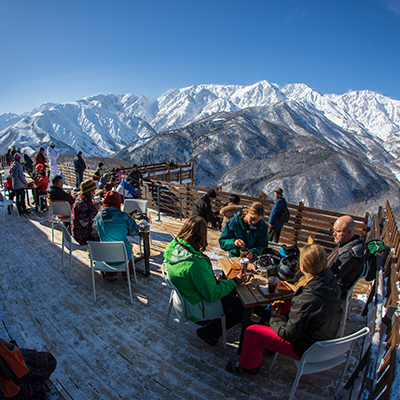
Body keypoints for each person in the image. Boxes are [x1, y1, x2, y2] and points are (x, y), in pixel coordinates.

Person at [226, 243, 342, 375]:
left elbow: (289, 335)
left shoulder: (308, 298)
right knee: (285, 305)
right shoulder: (330, 283)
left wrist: (275, 318)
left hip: (305, 348)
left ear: (302, 267)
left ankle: (248, 366)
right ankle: (269, 345)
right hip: (323, 340)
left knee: (252, 332)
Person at [164, 216, 247, 346]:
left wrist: (208, 278)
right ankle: (209, 332)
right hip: (195, 308)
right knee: (240, 306)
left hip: (183, 298)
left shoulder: (173, 246)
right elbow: (212, 295)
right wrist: (234, 281)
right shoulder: (195, 263)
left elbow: (190, 276)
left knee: (229, 293)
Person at [96, 191, 140, 280]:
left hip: (104, 255)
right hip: (123, 255)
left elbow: (98, 231)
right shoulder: (124, 216)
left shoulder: (98, 217)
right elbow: (135, 232)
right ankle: (128, 273)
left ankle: (111, 274)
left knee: (109, 243)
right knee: (125, 245)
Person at [327, 215, 369, 299]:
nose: (334, 234)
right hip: (332, 283)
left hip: (333, 291)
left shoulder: (348, 256)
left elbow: (329, 278)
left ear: (349, 232)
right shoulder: (349, 243)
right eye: (334, 230)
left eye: (338, 231)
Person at [72, 179, 101, 245]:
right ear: (88, 192)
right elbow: (84, 222)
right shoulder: (81, 203)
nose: (94, 193)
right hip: (82, 236)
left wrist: (96, 203)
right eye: (93, 191)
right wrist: (95, 209)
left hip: (81, 232)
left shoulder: (81, 198)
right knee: (104, 237)